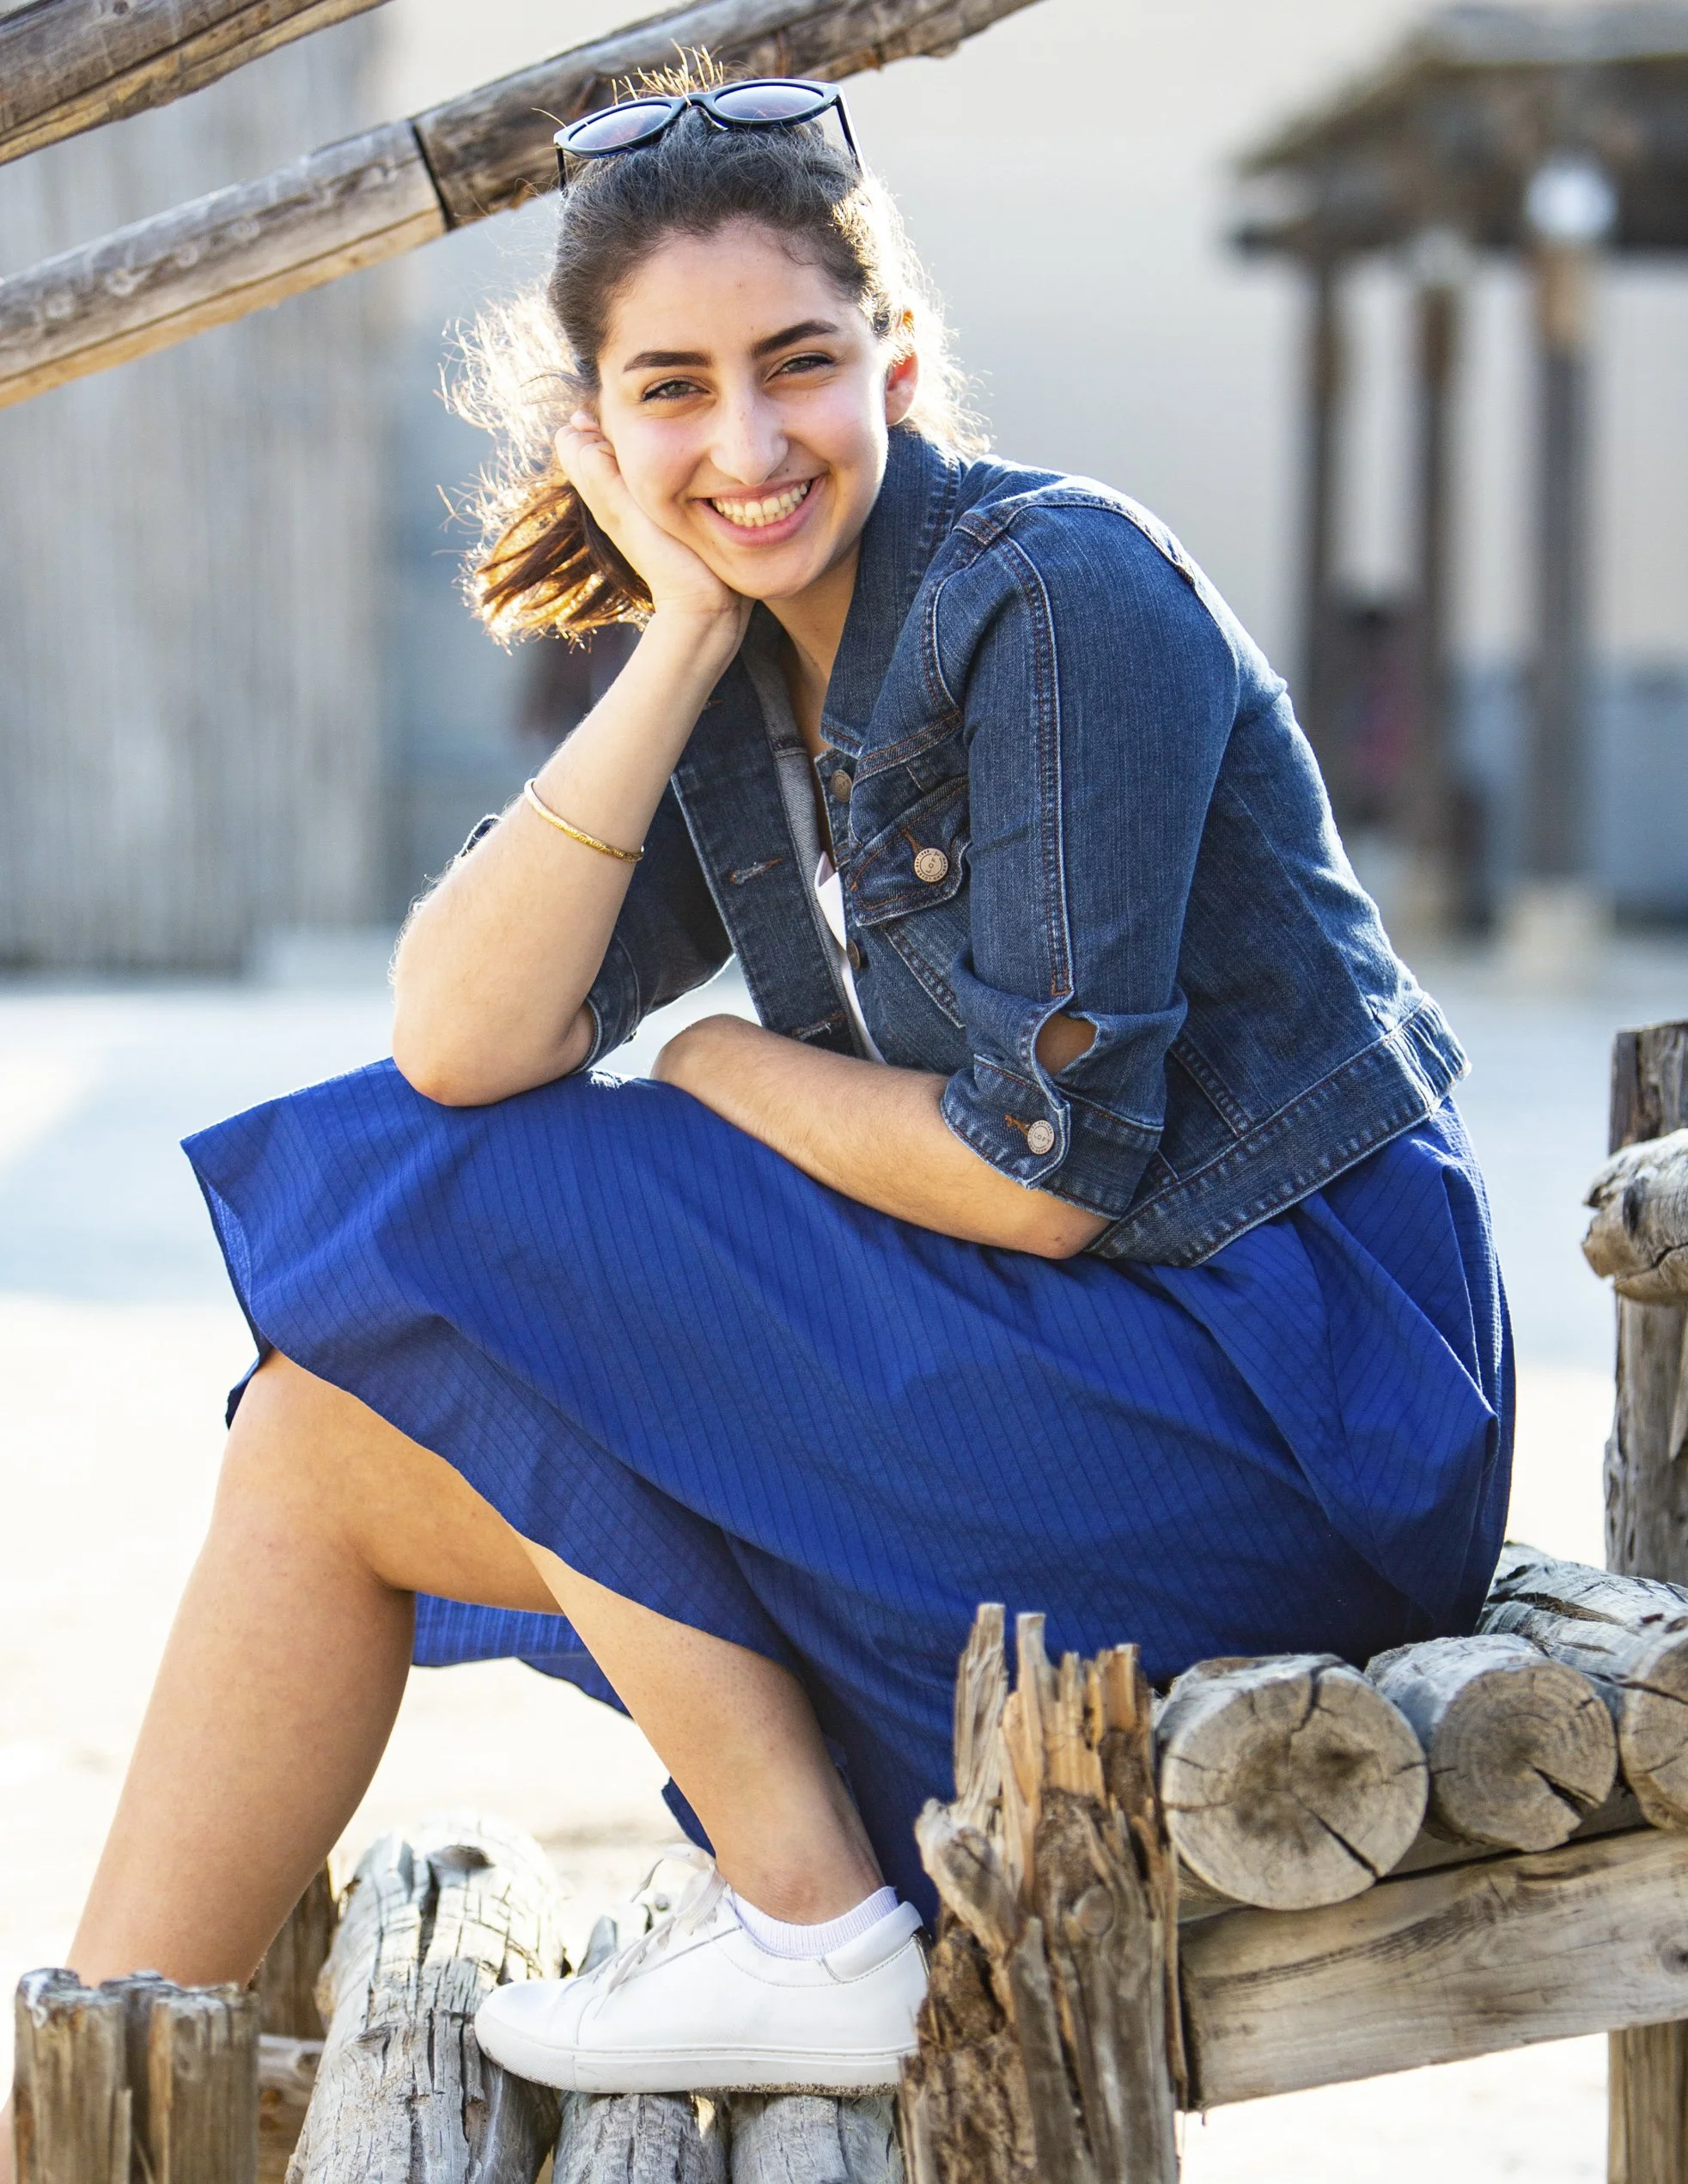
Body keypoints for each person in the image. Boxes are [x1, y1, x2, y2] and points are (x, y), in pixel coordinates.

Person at [11, 63, 1513, 2128]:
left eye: (798, 368)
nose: (747, 442)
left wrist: (720, 1062)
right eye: (673, 392)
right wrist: (677, 636)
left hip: (1282, 1426)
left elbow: (1038, 1170)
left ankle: (813, 1932)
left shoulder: (1054, 597)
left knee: (486, 1203)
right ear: (598, 425)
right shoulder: (737, 671)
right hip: (1058, 1392)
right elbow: (455, 1039)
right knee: (319, 1428)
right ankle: (88, 2093)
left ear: (895, 357)